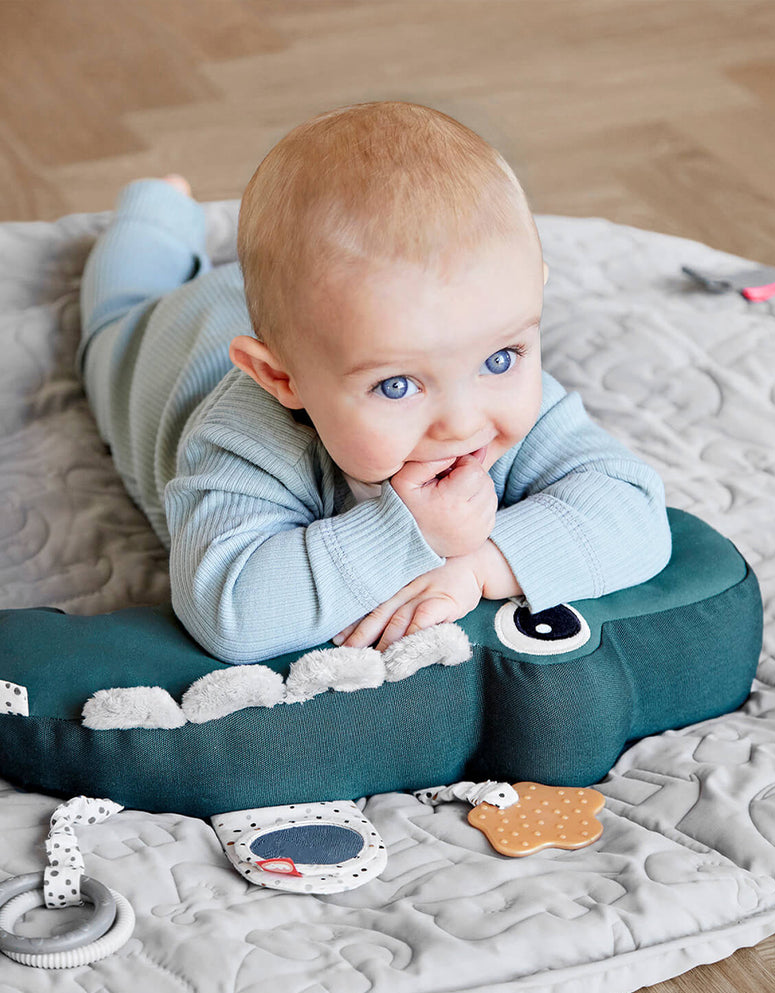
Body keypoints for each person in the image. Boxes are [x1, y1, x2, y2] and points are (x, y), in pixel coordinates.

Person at [79, 101, 671, 663]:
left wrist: (482, 562)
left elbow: (635, 511)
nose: (464, 422)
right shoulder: (243, 441)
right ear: (279, 378)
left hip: (320, 329)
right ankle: (157, 207)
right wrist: (410, 533)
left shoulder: (504, 389)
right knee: (116, 309)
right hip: (165, 342)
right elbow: (229, 612)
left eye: (500, 358)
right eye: (396, 386)